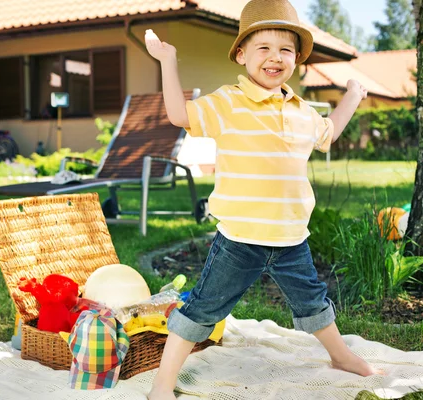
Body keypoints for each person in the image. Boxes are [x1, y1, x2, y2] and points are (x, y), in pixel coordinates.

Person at [144, 1, 376, 399]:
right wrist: (168, 60)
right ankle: (163, 383)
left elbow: (328, 134)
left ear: (297, 60)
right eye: (263, 47)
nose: (275, 57)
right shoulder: (228, 102)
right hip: (239, 239)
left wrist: (353, 94)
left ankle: (340, 357)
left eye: (285, 49)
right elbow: (179, 114)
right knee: (201, 309)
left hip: (291, 239)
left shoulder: (302, 110)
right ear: (241, 54)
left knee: (313, 303)